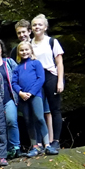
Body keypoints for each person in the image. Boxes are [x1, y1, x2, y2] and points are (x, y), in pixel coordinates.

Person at [12, 42, 55, 156]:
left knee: (39, 118)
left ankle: (47, 145)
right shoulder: (17, 68)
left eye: (27, 50)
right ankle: (35, 146)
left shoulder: (36, 63)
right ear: (18, 53)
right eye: (22, 50)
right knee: (28, 121)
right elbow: (14, 82)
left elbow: (41, 79)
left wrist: (31, 93)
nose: (24, 52)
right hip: (23, 98)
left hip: (35, 95)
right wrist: (20, 93)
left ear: (31, 51)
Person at [31, 14, 64, 151]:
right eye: (34, 25)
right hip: (36, 78)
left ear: (45, 27)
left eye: (40, 24)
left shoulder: (52, 42)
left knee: (54, 109)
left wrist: (60, 81)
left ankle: (55, 141)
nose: (37, 27)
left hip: (50, 75)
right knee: (37, 110)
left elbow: (59, 62)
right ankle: (39, 142)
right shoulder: (29, 44)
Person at [0, 39, 20, 159]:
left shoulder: (9, 62)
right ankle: (4, 151)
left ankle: (15, 147)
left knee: (11, 121)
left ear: (2, 50)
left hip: (9, 98)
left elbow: (19, 74)